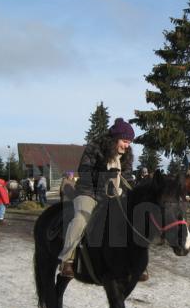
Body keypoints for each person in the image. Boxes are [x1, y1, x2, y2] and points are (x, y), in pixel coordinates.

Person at [57, 118, 135, 278]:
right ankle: (67, 259)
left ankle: (132, 262)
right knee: (81, 220)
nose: (127, 146)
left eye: (129, 142)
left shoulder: (126, 156)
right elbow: (84, 171)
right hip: (89, 192)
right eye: (125, 141)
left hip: (113, 196)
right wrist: (104, 175)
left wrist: (134, 191)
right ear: (115, 138)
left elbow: (128, 178)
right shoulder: (95, 148)